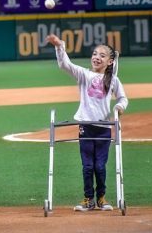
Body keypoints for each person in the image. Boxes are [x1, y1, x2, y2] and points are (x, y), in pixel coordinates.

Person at [46, 34, 128, 211]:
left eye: (102, 55)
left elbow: (122, 98)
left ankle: (101, 198)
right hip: (86, 127)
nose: (96, 57)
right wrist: (59, 46)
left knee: (100, 166)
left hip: (104, 129)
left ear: (110, 61)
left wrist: (119, 108)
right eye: (94, 54)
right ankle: (88, 199)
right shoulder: (84, 75)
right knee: (87, 166)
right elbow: (64, 65)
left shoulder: (113, 80)